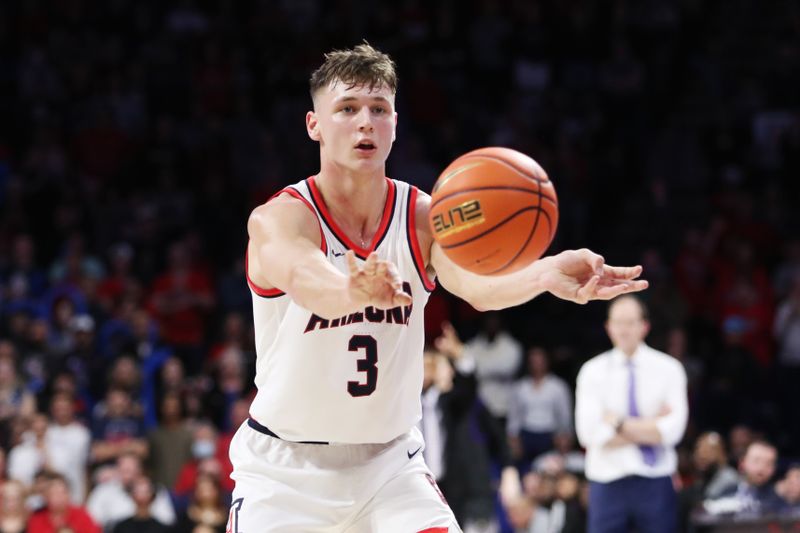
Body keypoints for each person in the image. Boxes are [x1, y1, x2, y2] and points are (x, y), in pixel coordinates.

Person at [231, 42, 648, 532]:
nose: (365, 122)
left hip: (388, 466)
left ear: (394, 123)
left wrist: (544, 272)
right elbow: (304, 276)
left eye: (379, 109)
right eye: (347, 108)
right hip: (288, 471)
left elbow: (475, 286)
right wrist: (351, 288)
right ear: (314, 125)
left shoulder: (426, 216)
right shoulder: (281, 218)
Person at [575, 295, 688, 533]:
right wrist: (652, 425)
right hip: (607, 481)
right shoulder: (592, 371)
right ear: (608, 327)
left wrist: (616, 423)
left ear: (644, 326)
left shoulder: (669, 369)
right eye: (618, 322)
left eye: (630, 322)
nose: (624, 330)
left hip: (655, 480)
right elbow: (589, 435)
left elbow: (673, 431)